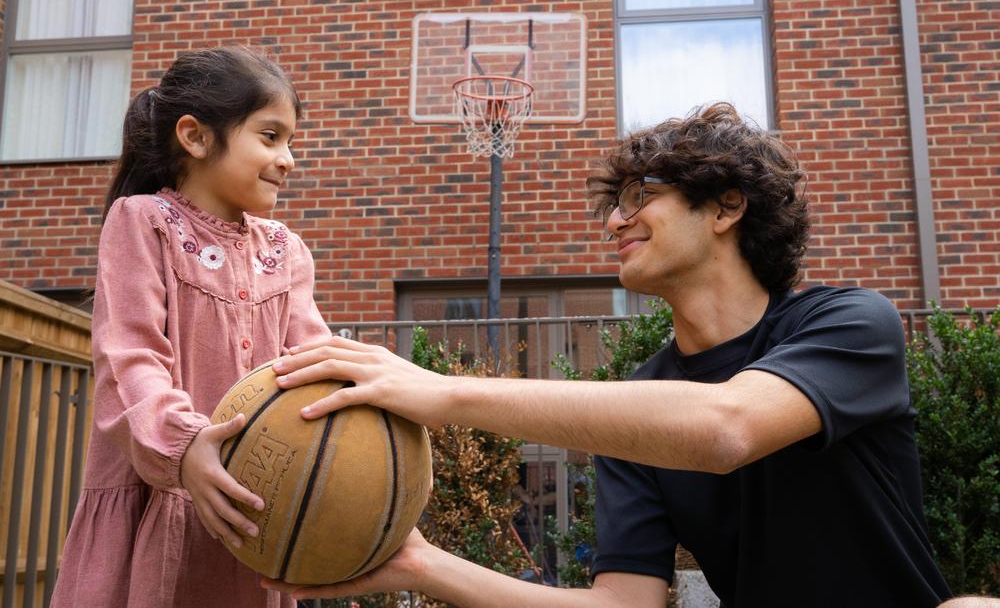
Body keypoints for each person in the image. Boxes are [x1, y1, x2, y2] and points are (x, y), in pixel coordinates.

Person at [262, 103, 964, 608]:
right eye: (615, 202)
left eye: (642, 197)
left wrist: (446, 393)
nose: (614, 221)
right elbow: (622, 605)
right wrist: (420, 564)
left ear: (725, 208)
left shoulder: (849, 323)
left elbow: (728, 428)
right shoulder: (642, 402)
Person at [52, 47, 332, 608]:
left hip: (250, 516)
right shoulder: (143, 223)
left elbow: (315, 363)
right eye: (271, 136)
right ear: (196, 137)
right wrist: (185, 446)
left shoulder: (286, 251)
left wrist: (376, 426)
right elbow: (128, 360)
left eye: (291, 141)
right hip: (156, 511)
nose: (289, 159)